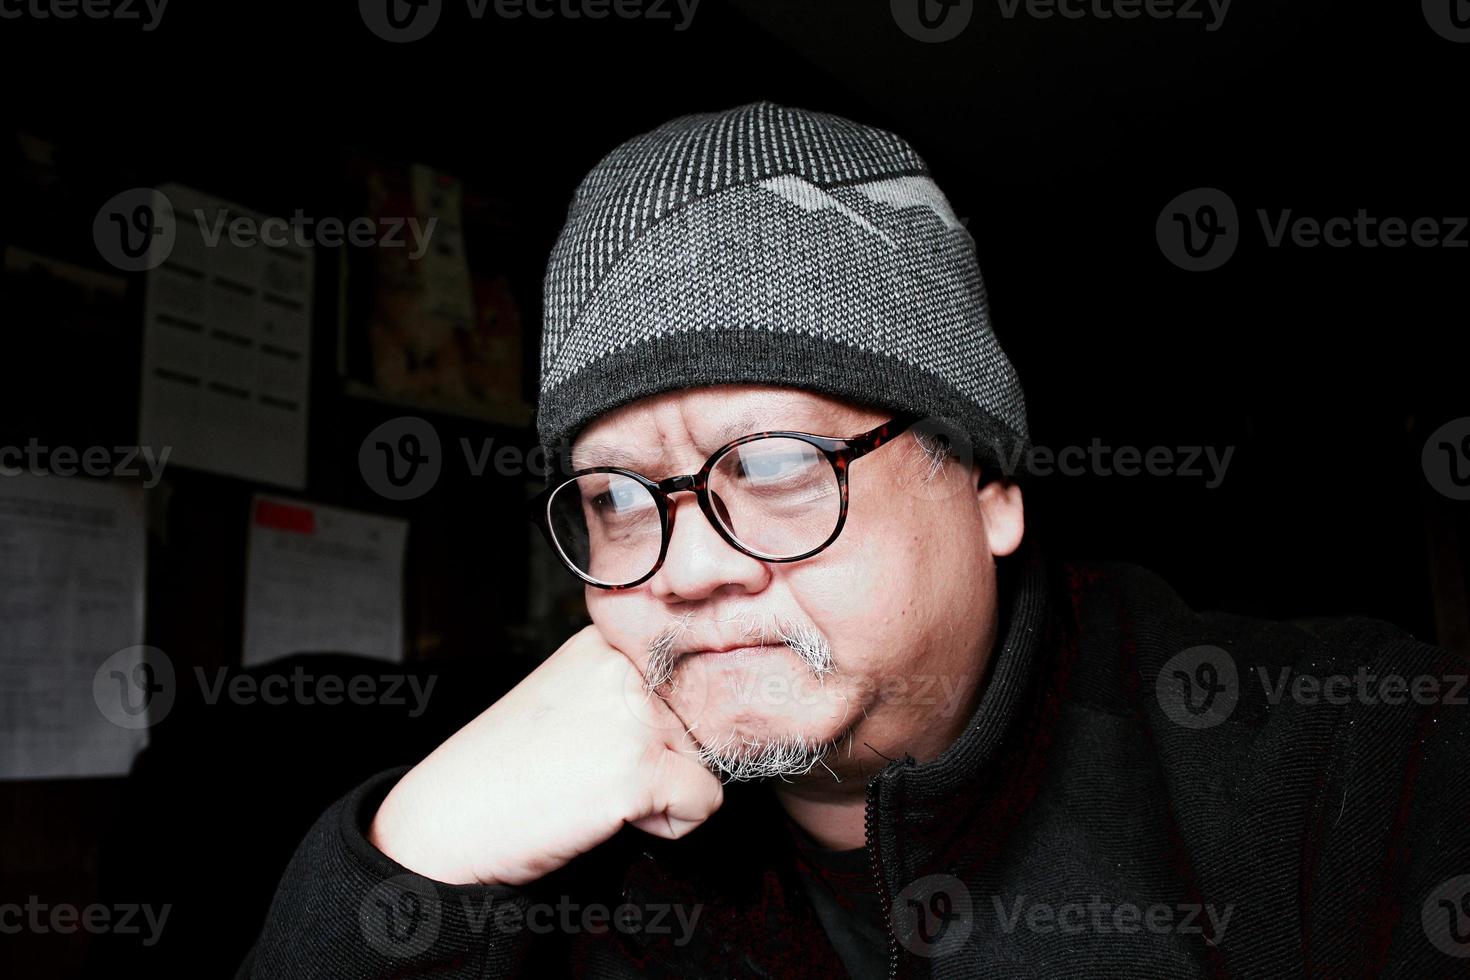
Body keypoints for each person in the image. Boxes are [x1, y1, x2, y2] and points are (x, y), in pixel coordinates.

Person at [237, 102, 1470, 979]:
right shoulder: (544, 864)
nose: (685, 563)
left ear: (987, 484)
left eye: (774, 465)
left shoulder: (1349, 763)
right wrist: (404, 866)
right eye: (617, 495)